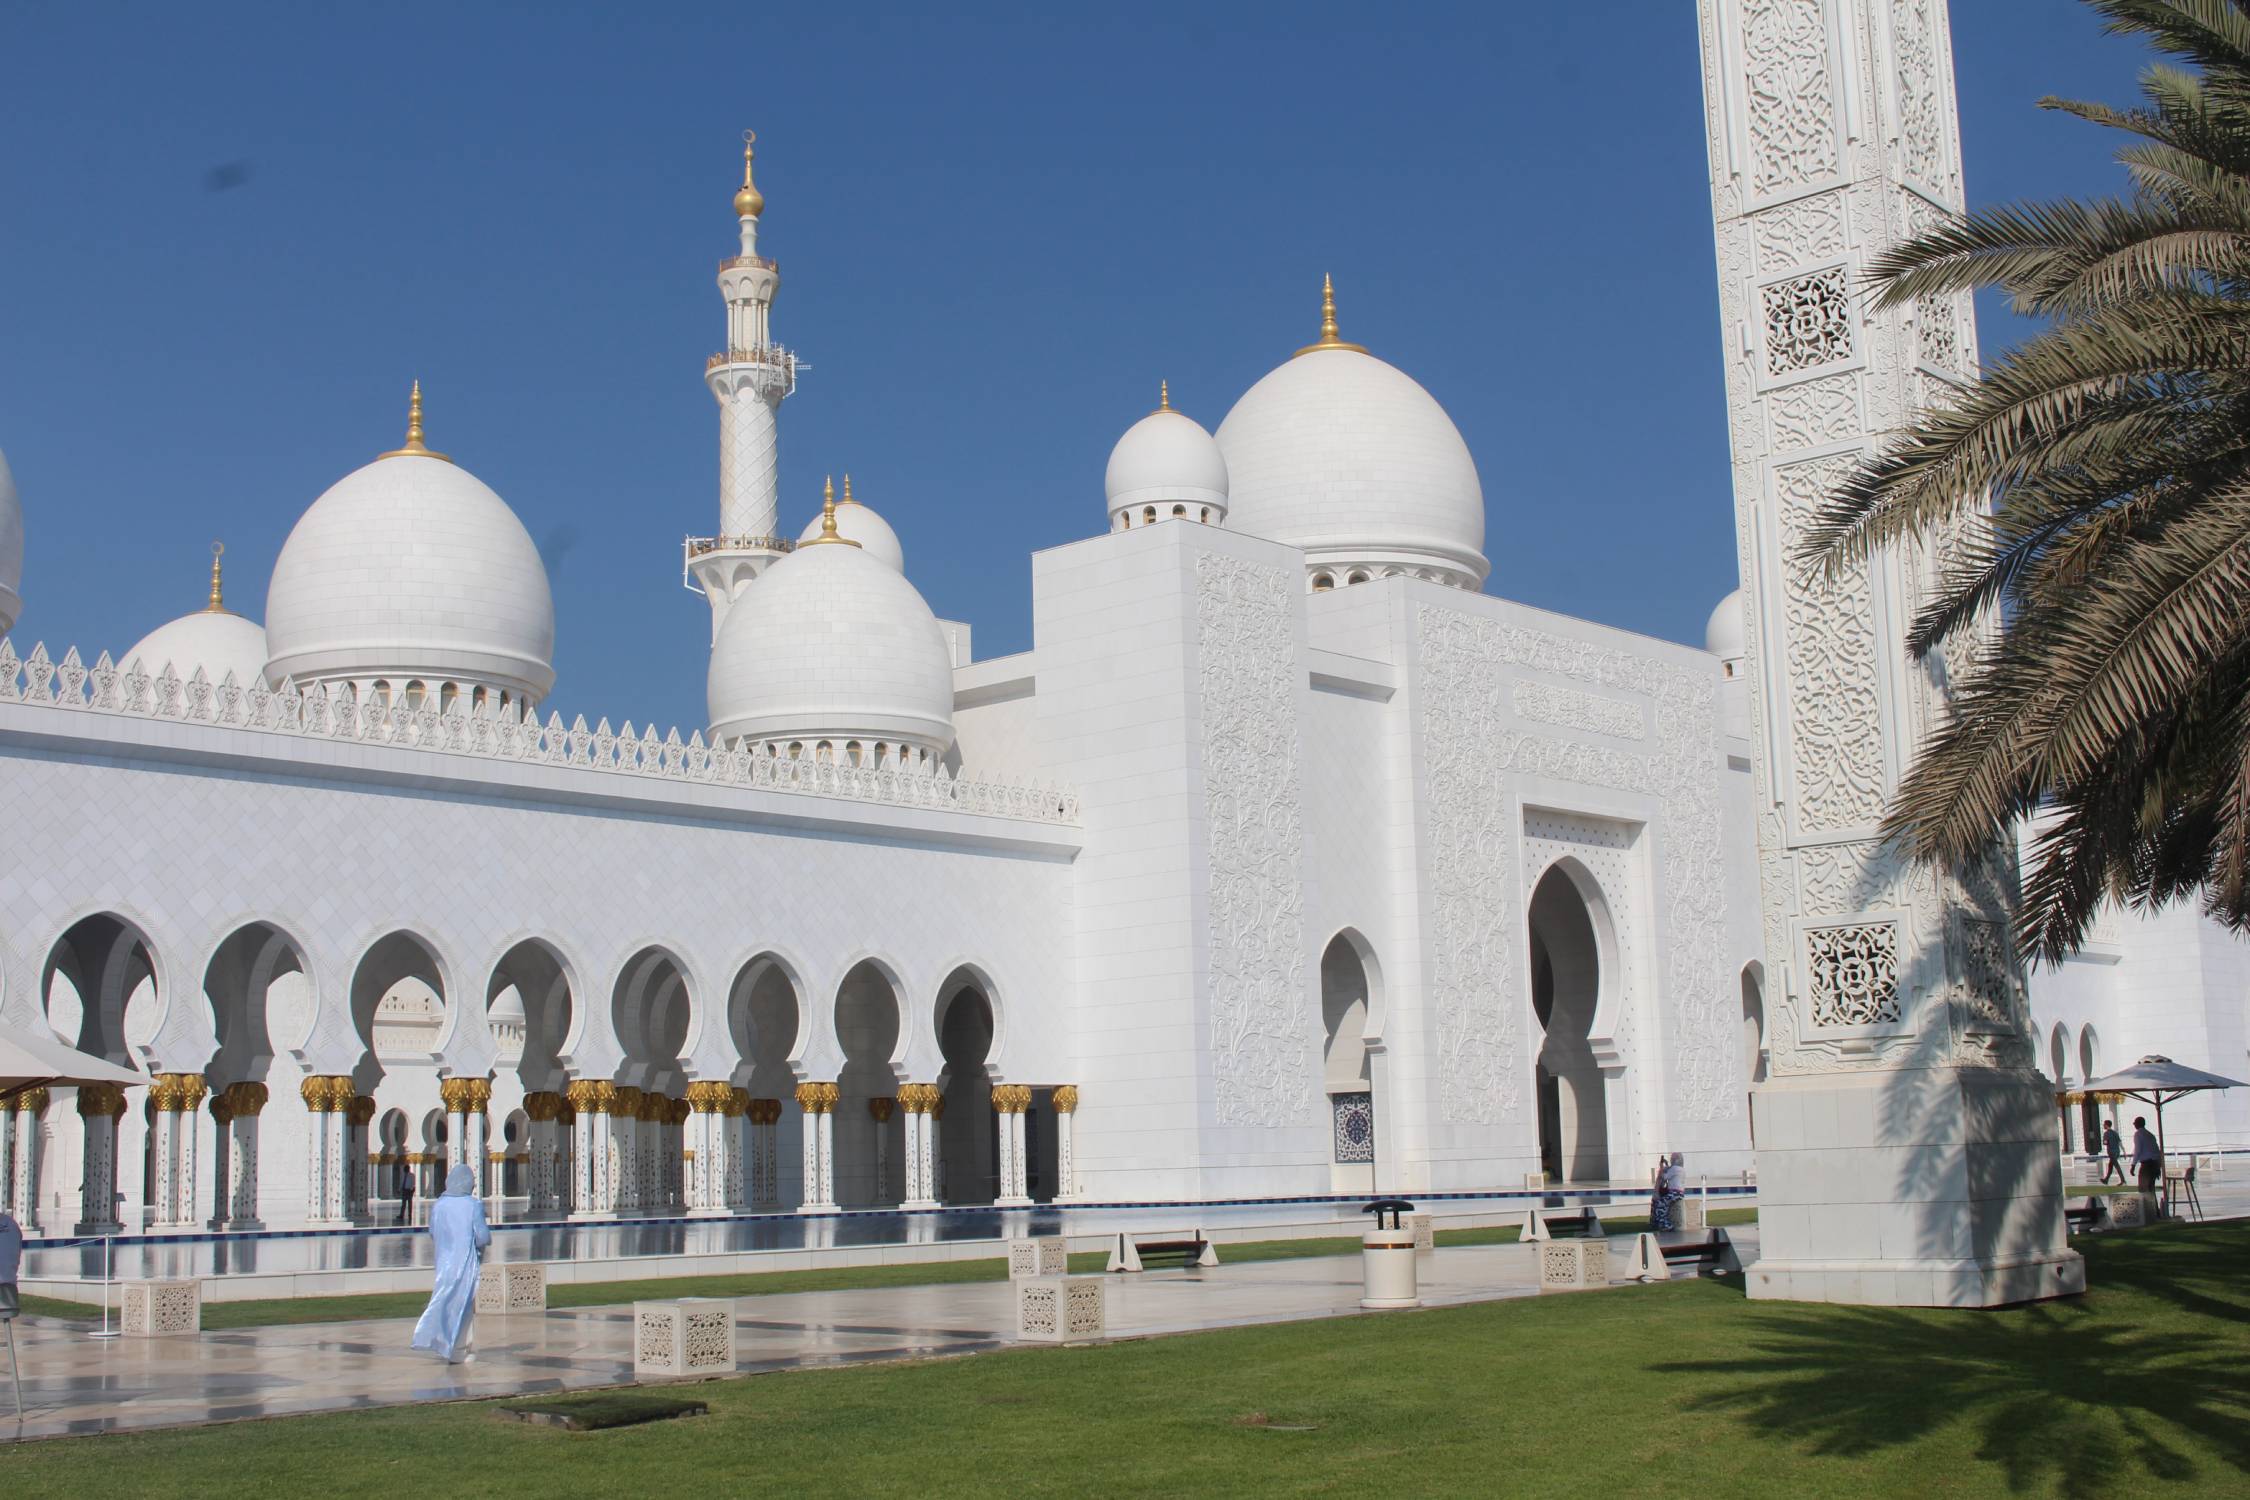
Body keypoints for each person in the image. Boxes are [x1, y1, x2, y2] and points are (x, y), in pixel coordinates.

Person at [410, 1164, 490, 1364]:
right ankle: (459, 1350)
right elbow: (482, 1236)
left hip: (444, 1263)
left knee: (444, 1301)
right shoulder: (473, 1205)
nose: (473, 1184)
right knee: (463, 1305)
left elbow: (432, 1232)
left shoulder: (439, 1205)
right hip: (465, 1263)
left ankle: (441, 1342)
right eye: (471, 1180)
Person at [1649, 1152, 1685, 1231]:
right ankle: (1664, 1224)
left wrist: (1661, 1167)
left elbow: (1664, 1177)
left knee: (1660, 1204)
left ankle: (1667, 1225)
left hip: (1674, 1193)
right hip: (1679, 1193)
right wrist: (1666, 1165)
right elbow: (1670, 1171)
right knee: (1664, 1203)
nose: (1671, 1160)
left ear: (1675, 1160)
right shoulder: (1681, 1169)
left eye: (1672, 1159)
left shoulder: (1675, 1168)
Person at [2130, 1115, 2163, 1198]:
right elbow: (2157, 1150)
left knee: (2143, 1189)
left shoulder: (2138, 1134)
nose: (2134, 1125)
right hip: (2155, 1163)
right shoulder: (2150, 1135)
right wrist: (2159, 1166)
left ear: (2138, 1124)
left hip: (2147, 1165)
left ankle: (2147, 1206)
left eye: (2135, 1123)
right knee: (2151, 1188)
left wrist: (2133, 1165)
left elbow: (2137, 1150)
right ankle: (2153, 1206)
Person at [2100, 1120, 2126, 1185]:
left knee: (2117, 1166)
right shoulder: (2115, 1133)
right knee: (2110, 1165)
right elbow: (2119, 1142)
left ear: (2106, 1125)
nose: (2103, 1125)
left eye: (2104, 1124)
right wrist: (2124, 1151)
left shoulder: (2106, 1133)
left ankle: (2123, 1180)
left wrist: (2105, 1142)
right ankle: (2106, 1180)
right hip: (2117, 1151)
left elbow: (2105, 1142)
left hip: (2111, 1152)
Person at [394, 1159, 415, 1226]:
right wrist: (399, 1189)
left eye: (405, 1169)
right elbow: (401, 1183)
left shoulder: (412, 1175)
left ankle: (410, 1215)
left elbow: (413, 1183)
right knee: (403, 1203)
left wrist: (411, 1190)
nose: (405, 1170)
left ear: (408, 1169)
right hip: (404, 1190)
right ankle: (401, 1215)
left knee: (409, 1203)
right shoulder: (403, 1175)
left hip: (409, 1191)